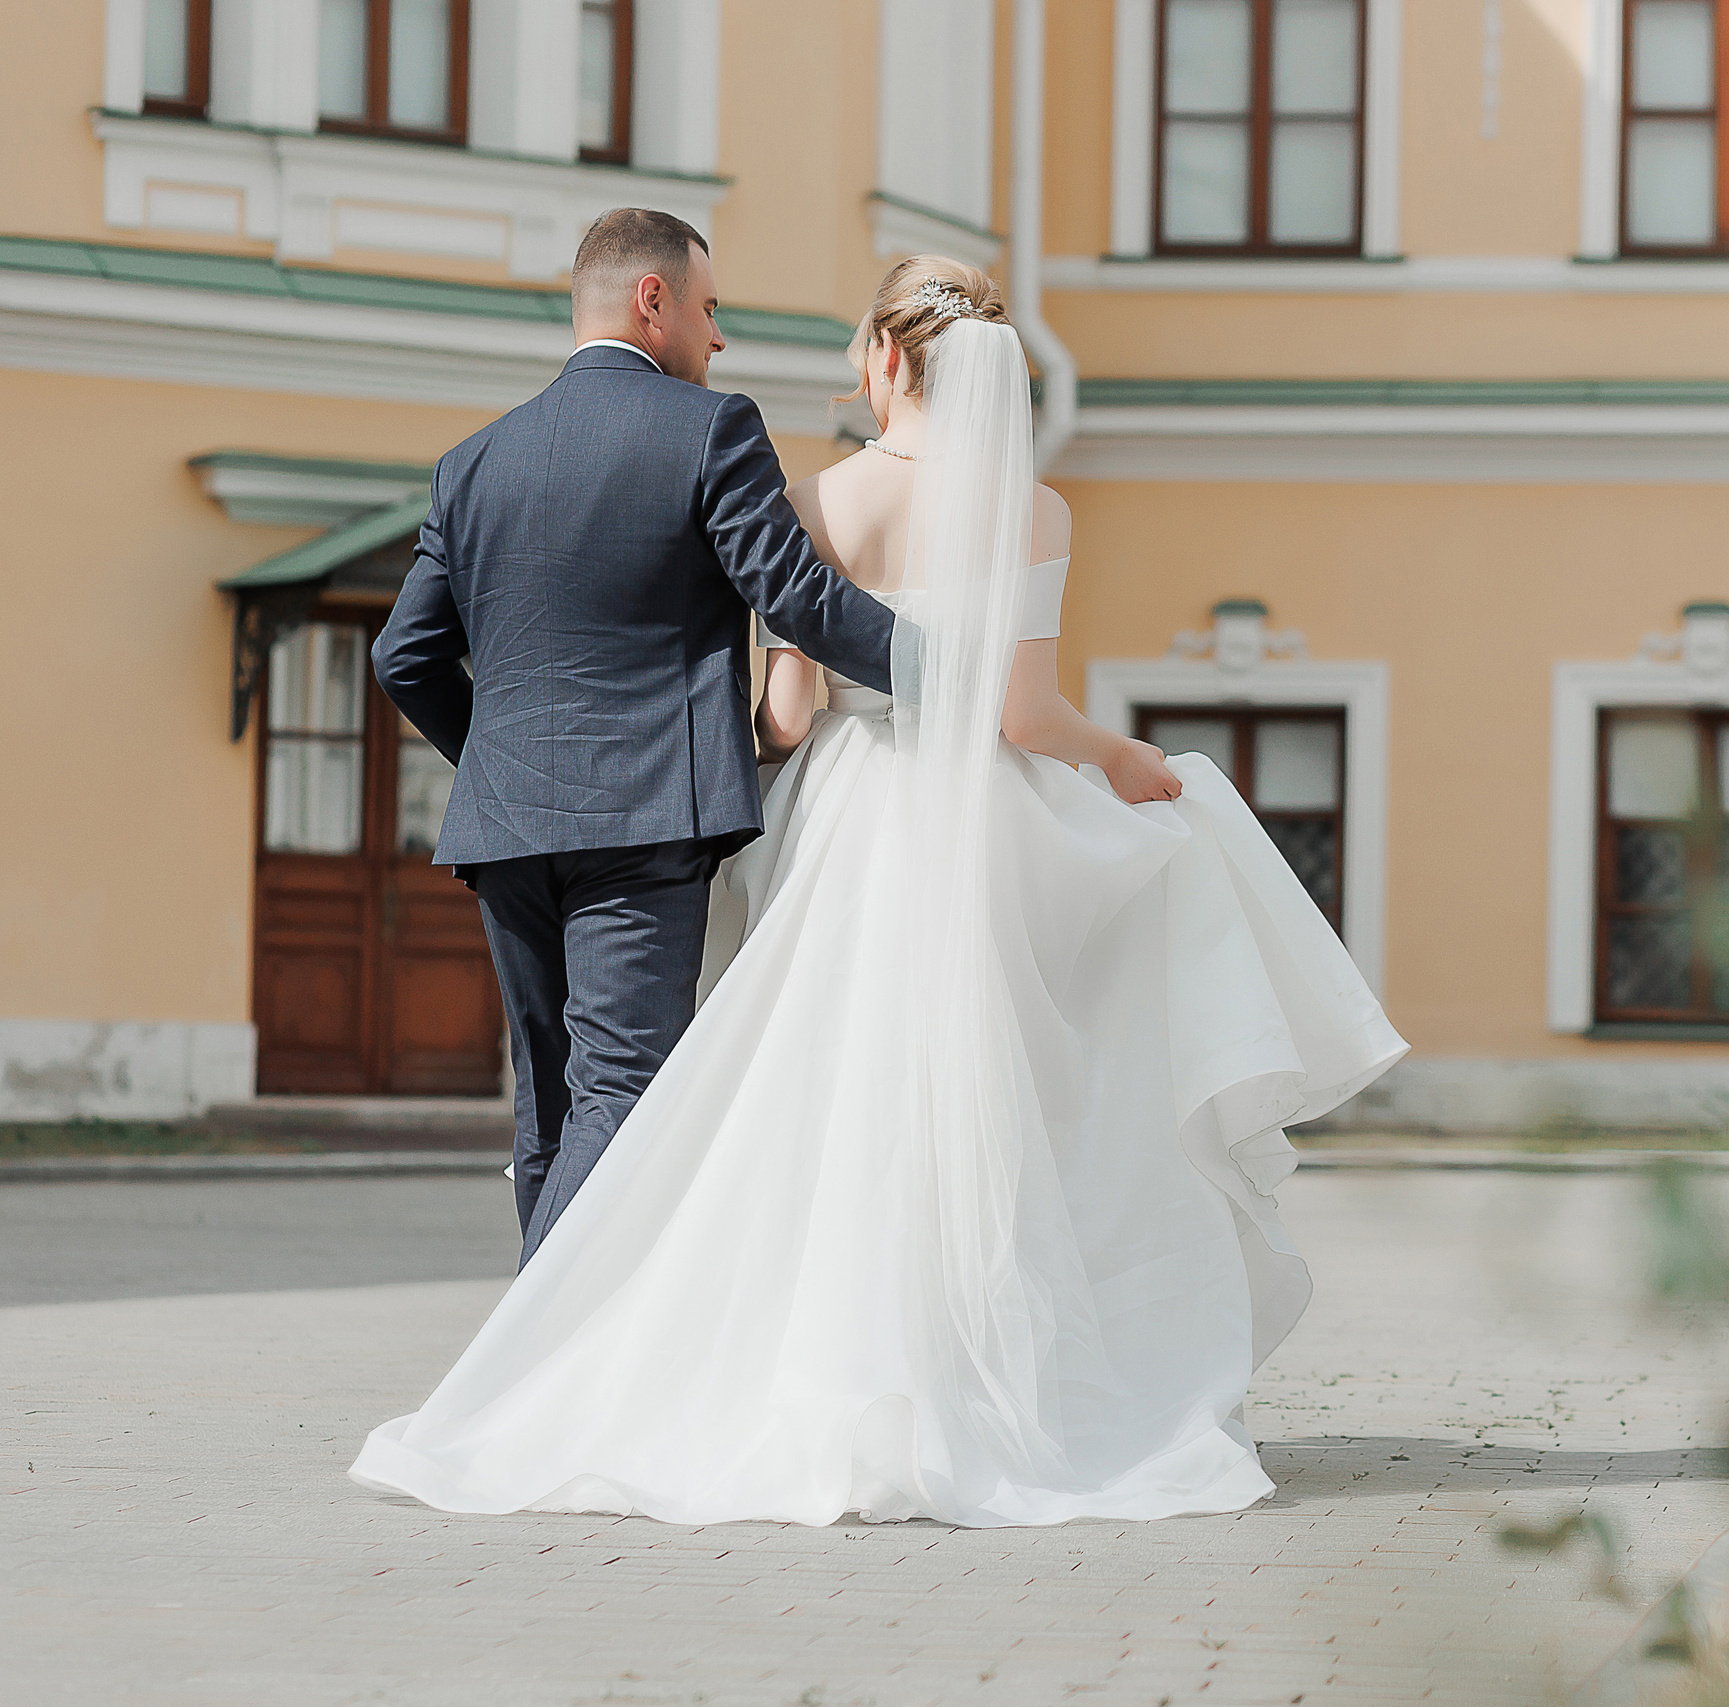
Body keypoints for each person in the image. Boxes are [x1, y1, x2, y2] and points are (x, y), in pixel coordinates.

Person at [349, 255, 1407, 1528]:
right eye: (711, 304)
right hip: (975, 821)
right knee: (992, 1102)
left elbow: (788, 715)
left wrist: (622, 754)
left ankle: (608, 1355)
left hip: (812, 816)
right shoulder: (1034, 507)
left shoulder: (809, 495)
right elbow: (1021, 712)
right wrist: (1116, 756)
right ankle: (966, 1374)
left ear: (886, 362)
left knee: (782, 1094)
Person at [372, 208, 902, 1264]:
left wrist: (501, 758)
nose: (719, 340)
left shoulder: (470, 463)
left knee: (551, 1108)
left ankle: (553, 1389)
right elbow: (794, 597)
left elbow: (403, 656)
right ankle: (522, 1367)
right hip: (645, 817)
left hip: (506, 826)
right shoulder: (709, 430)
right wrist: (948, 664)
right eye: (709, 310)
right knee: (623, 1092)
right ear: (651, 302)